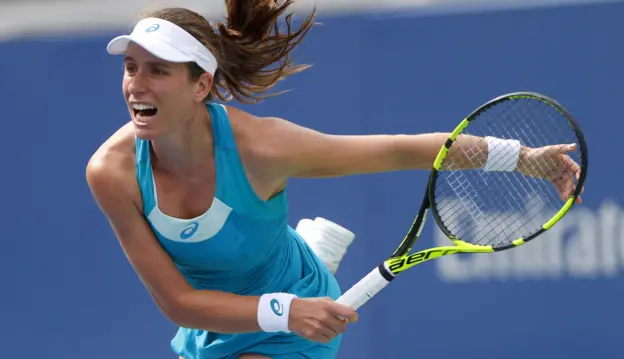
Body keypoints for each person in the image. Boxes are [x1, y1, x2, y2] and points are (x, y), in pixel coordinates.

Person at [85, 1, 583, 358]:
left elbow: (398, 148)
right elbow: (179, 303)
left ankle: (307, 257)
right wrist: (285, 310)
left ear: (202, 86)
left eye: (157, 70)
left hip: (291, 308)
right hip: (215, 320)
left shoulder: (263, 148)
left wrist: (524, 159)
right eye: (131, 68)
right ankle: (311, 247)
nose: (136, 84)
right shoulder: (112, 172)